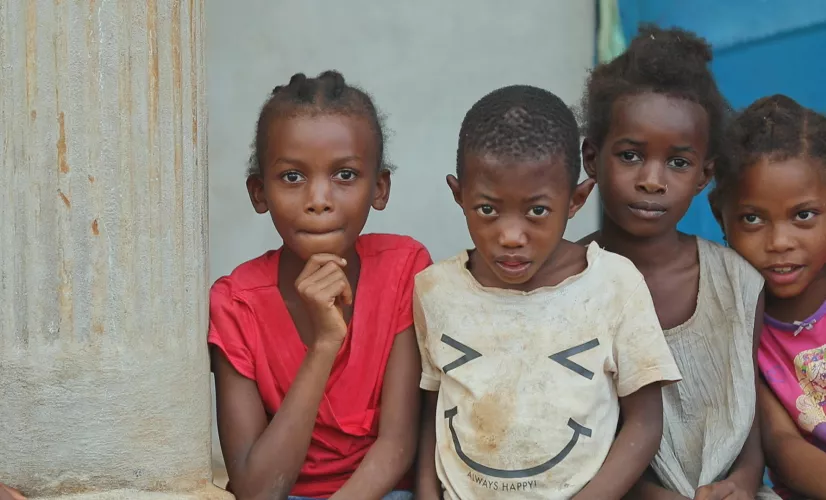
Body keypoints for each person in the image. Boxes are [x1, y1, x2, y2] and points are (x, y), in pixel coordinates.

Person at [414, 84, 681, 500]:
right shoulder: (435, 289)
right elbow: (436, 415)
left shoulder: (613, 285)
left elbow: (644, 425)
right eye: (487, 209)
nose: (511, 236)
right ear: (459, 195)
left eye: (537, 211)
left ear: (575, 200)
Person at [208, 71, 431, 500]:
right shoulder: (236, 304)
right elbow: (256, 490)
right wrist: (325, 344)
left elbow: (397, 445)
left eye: (345, 175)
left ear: (379, 188)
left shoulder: (403, 269)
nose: (319, 199)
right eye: (292, 177)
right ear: (259, 193)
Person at [579, 25, 779, 499]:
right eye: (630, 155)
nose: (652, 180)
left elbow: (744, 419)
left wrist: (743, 484)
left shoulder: (736, 282)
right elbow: (572, 439)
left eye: (678, 162)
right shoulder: (569, 280)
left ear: (705, 174)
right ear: (592, 157)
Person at [711, 95, 826, 499]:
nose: (779, 242)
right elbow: (783, 448)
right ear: (719, 216)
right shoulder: (738, 327)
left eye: (804, 215)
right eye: (753, 219)